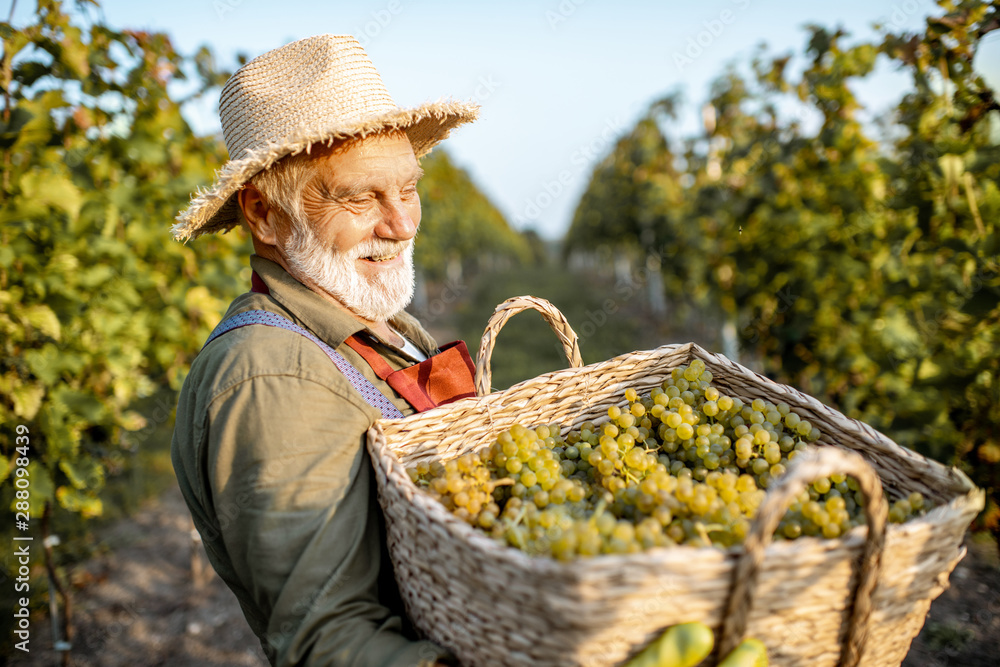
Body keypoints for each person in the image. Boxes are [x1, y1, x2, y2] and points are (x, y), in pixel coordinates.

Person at [171, 34, 766, 667]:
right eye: (360, 196)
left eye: (408, 188)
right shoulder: (273, 376)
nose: (401, 224)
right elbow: (327, 639)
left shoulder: (369, 325)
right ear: (265, 216)